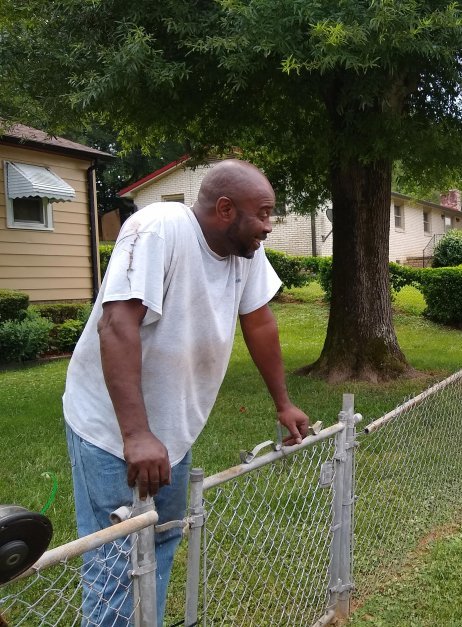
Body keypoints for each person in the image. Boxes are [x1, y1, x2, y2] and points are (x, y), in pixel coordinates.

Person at [63, 159, 309, 626]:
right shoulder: (157, 230)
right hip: (111, 431)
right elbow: (116, 325)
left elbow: (259, 321)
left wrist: (283, 402)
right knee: (117, 563)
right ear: (224, 209)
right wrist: (136, 434)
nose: (269, 226)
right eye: (263, 213)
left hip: (172, 436)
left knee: (160, 543)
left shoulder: (245, 252)